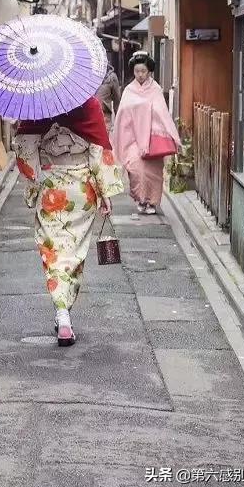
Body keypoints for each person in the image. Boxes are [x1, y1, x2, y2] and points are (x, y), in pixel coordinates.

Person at [14, 97, 123, 347]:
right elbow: (98, 150)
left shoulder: (37, 103)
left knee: (53, 250)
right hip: (80, 189)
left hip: (52, 187)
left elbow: (24, 147)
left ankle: (61, 312)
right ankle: (65, 312)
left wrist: (35, 184)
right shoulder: (89, 103)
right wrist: (104, 193)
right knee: (73, 251)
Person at [112, 51, 181, 215]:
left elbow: (162, 113)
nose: (140, 75)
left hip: (152, 139)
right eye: (137, 71)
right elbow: (122, 114)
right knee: (136, 170)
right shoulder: (129, 90)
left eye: (143, 71)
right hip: (133, 139)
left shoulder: (155, 89)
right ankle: (141, 199)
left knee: (153, 173)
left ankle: (152, 202)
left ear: (149, 71)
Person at [95, 62, 121, 130]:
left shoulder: (111, 77)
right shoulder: (89, 75)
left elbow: (117, 100)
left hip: (104, 116)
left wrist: (119, 122)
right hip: (90, 116)